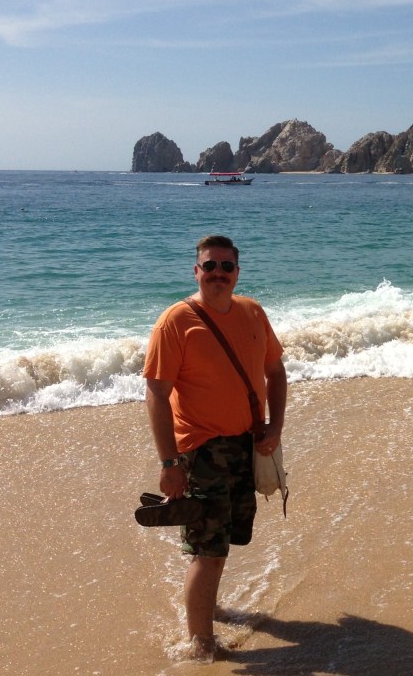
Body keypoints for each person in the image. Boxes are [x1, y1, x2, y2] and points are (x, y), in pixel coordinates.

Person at [143, 234, 287, 661]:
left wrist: (275, 427)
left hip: (245, 444)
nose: (218, 273)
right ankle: (200, 645)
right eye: (210, 266)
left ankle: (208, 610)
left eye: (226, 266)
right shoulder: (176, 321)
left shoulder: (252, 312)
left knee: (223, 543)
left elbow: (276, 371)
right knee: (207, 551)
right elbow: (156, 393)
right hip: (200, 450)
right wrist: (169, 463)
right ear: (196, 271)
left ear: (237, 273)